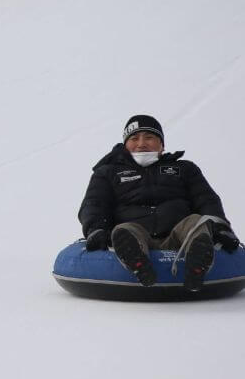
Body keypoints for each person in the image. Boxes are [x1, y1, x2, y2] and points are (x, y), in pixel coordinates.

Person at [78, 115, 239, 291]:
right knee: (124, 230)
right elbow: (94, 204)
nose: (141, 143)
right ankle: (138, 264)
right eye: (134, 138)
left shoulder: (184, 169)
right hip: (138, 234)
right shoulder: (108, 172)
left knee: (195, 222)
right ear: (125, 144)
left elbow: (206, 199)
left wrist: (221, 227)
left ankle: (197, 266)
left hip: (179, 235)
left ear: (162, 144)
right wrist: (96, 230)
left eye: (149, 137)